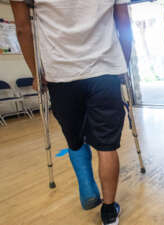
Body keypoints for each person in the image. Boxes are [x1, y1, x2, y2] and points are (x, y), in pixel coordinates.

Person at [11, 0, 133, 224]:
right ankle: (108, 211)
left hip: (61, 73)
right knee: (106, 145)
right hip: (104, 70)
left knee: (74, 134)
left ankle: (87, 185)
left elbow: (22, 28)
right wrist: (123, 64)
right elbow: (123, 21)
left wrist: (36, 74)